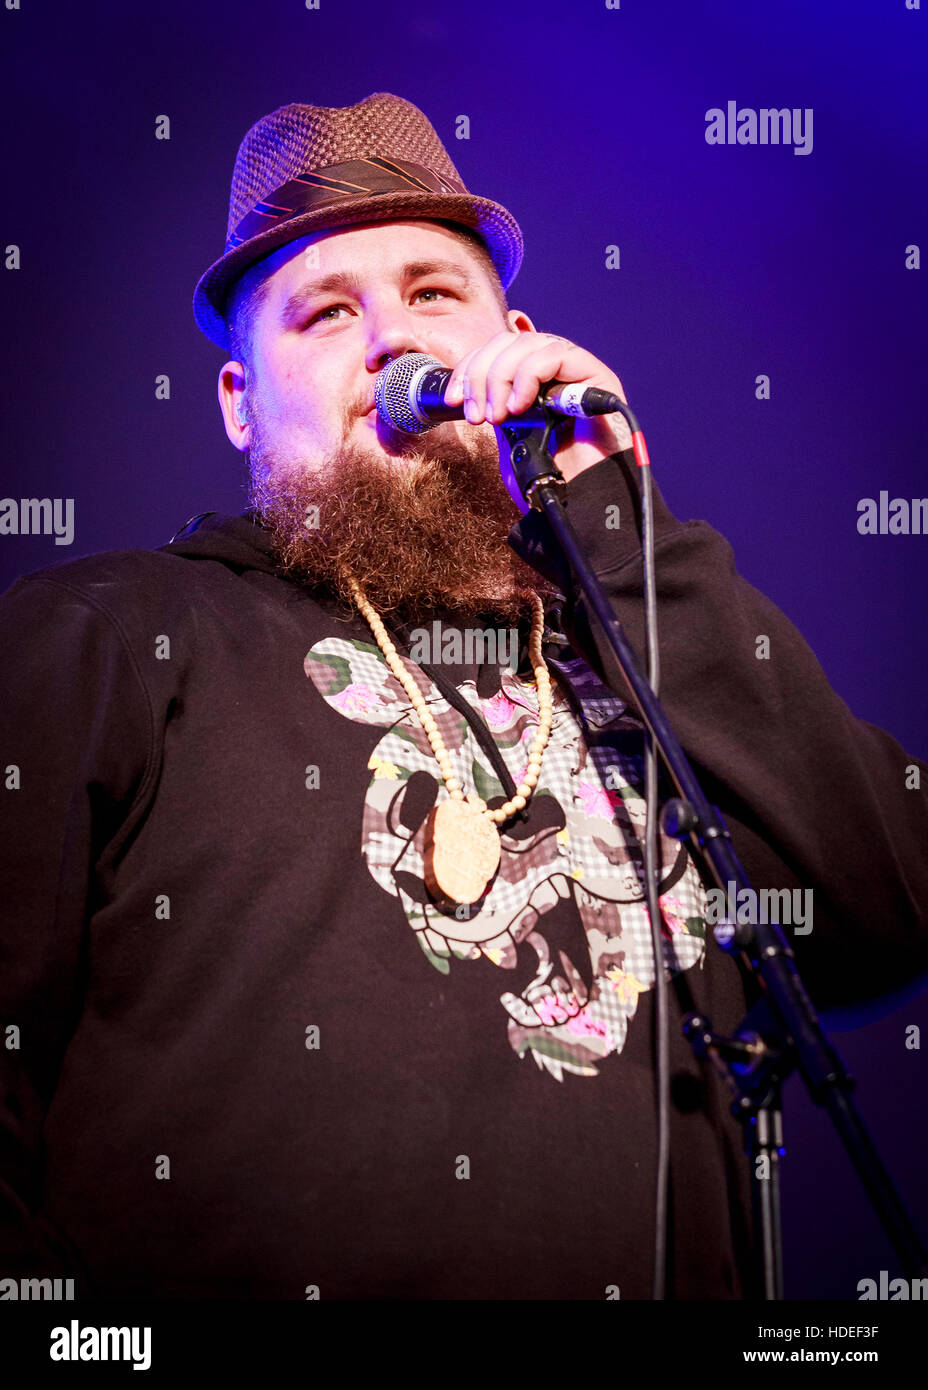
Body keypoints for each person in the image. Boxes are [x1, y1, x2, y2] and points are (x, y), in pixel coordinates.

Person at [1, 92, 926, 1302]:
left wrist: (623, 532)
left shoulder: (644, 652)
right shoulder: (107, 636)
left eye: (434, 293)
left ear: (515, 337)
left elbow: (884, 915)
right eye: (326, 312)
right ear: (237, 402)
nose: (393, 336)